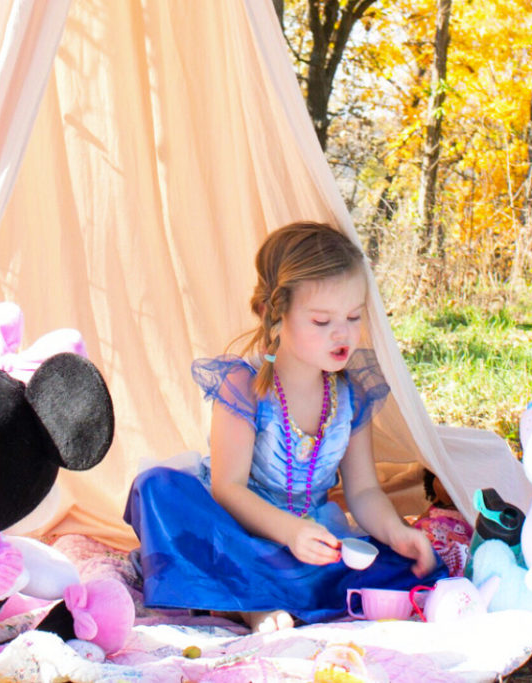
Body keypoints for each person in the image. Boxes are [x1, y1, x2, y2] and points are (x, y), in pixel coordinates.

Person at [124, 221, 446, 632]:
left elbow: (364, 491)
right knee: (156, 488)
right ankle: (246, 602)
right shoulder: (244, 386)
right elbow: (227, 488)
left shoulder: (351, 395)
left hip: (307, 542)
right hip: (236, 532)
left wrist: (396, 532)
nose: (342, 333)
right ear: (273, 316)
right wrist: (289, 531)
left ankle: (251, 594)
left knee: (404, 567)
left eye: (352, 316)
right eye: (321, 321)